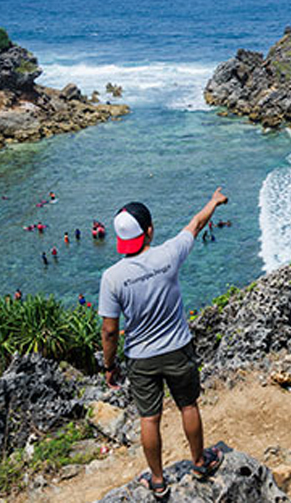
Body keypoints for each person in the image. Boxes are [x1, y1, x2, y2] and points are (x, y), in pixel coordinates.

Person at [99, 189, 228, 498]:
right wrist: (214, 201)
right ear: (150, 231)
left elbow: (109, 330)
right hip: (177, 349)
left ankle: (157, 481)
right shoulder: (169, 254)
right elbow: (196, 224)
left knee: (149, 418)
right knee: (188, 405)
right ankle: (199, 461)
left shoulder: (112, 277)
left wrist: (109, 366)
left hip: (141, 359)